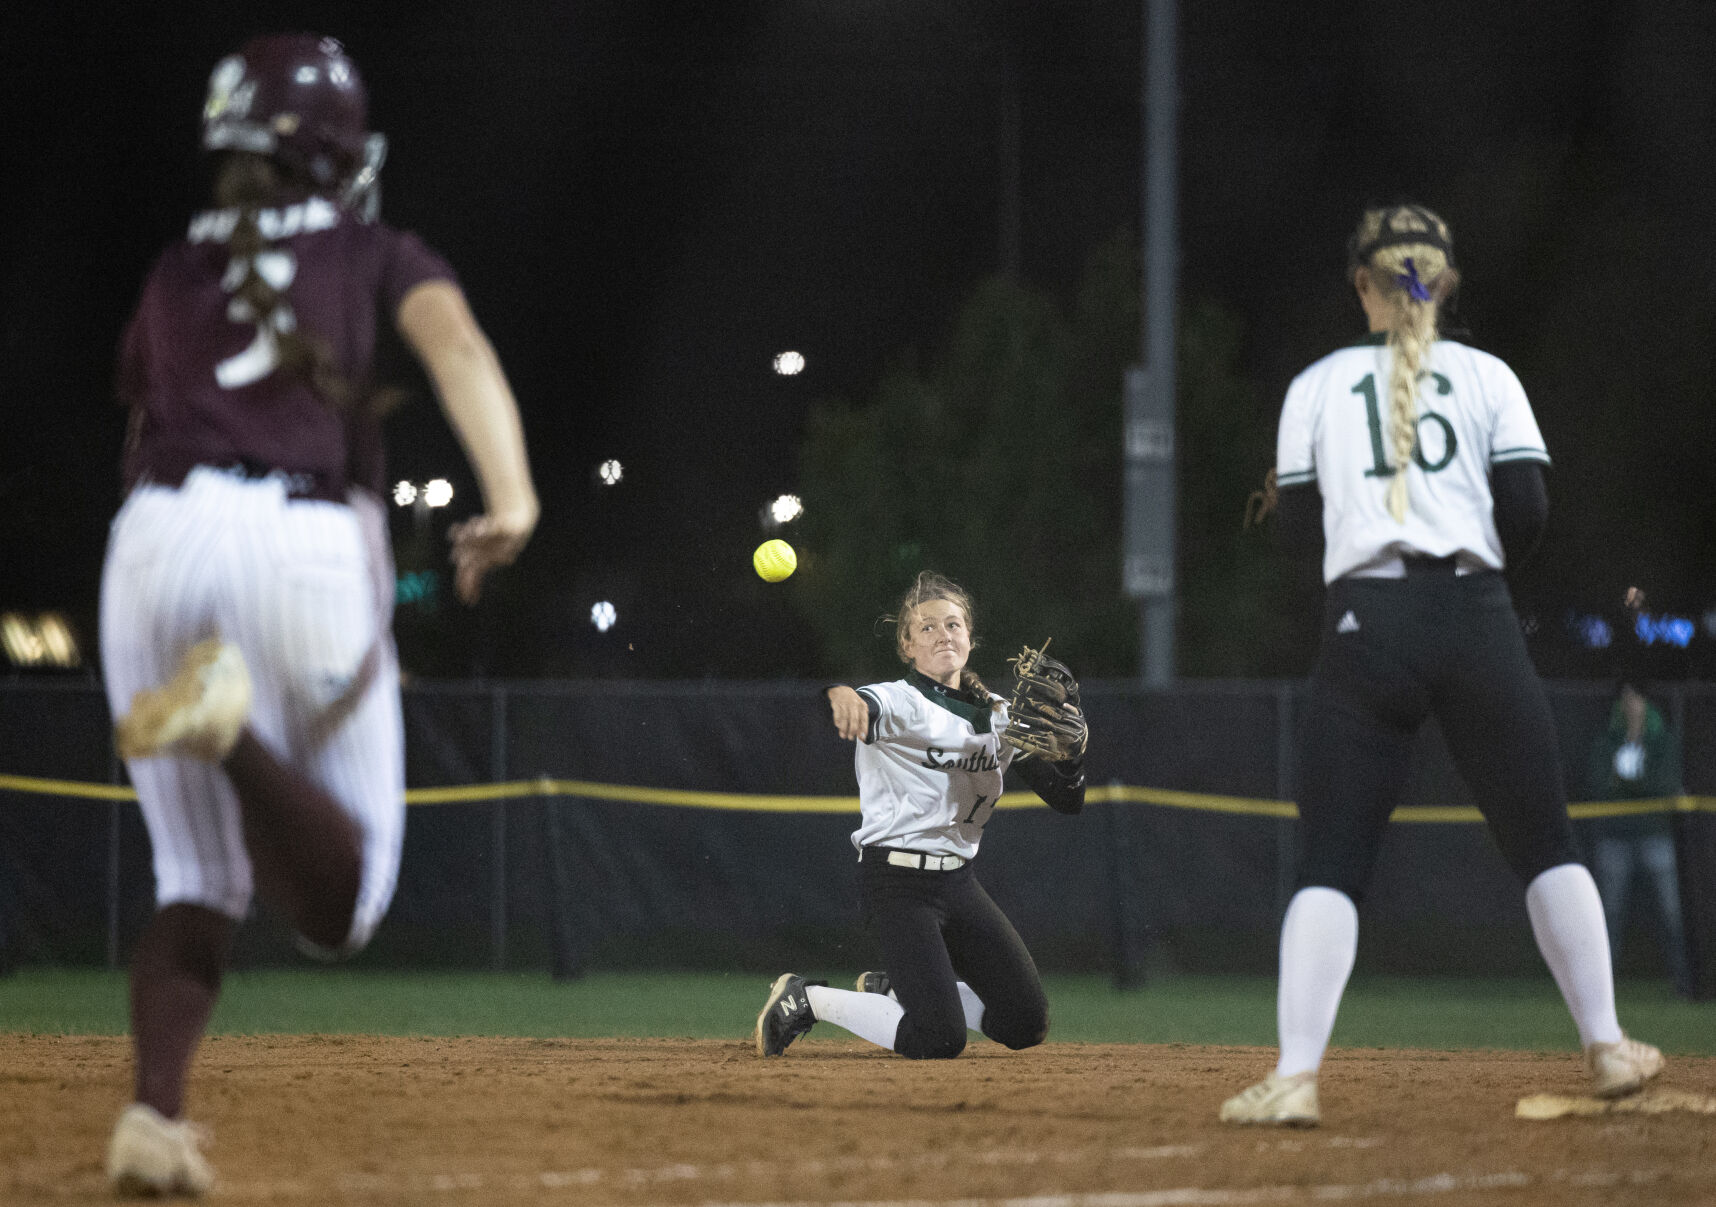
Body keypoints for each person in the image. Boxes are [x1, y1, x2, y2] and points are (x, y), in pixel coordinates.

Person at [99, 35, 538, 1194]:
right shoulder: (373, 250)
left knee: (196, 879)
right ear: (333, 149)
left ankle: (153, 1115)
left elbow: (139, 412)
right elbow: (455, 344)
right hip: (298, 540)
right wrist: (513, 495)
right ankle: (224, 724)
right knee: (345, 905)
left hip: (148, 541)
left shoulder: (172, 271)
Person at [1224, 204, 1662, 1126]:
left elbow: (1299, 530)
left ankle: (1297, 1075)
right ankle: (1610, 1045)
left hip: (1366, 619)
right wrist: (1467, 581)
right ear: (1445, 282)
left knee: (1331, 862)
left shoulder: (1317, 383)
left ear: (1363, 286)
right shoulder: (1487, 374)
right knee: (1546, 841)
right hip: (1477, 618)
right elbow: (1528, 509)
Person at [754, 571, 1086, 1060]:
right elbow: (855, 702)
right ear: (907, 646)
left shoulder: (1001, 718)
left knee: (1024, 1023)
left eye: (953, 625)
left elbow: (1067, 800)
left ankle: (895, 990)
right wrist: (839, 694)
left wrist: (1072, 761)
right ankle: (808, 999)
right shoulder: (898, 700)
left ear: (970, 639)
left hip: (959, 883)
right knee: (939, 1039)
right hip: (897, 884)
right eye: (926, 628)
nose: (942, 634)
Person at [1584, 682, 1690, 995]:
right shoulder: (1608, 740)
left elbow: (1665, 784)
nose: (1630, 705)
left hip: (1655, 837)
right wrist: (1632, 776)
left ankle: (1687, 984)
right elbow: (1599, 786)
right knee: (1609, 917)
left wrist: (1627, 781)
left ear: (1647, 702)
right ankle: (1602, 992)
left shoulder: (1662, 741)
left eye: (1636, 698)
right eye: (1625, 699)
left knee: (1672, 915)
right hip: (1615, 838)